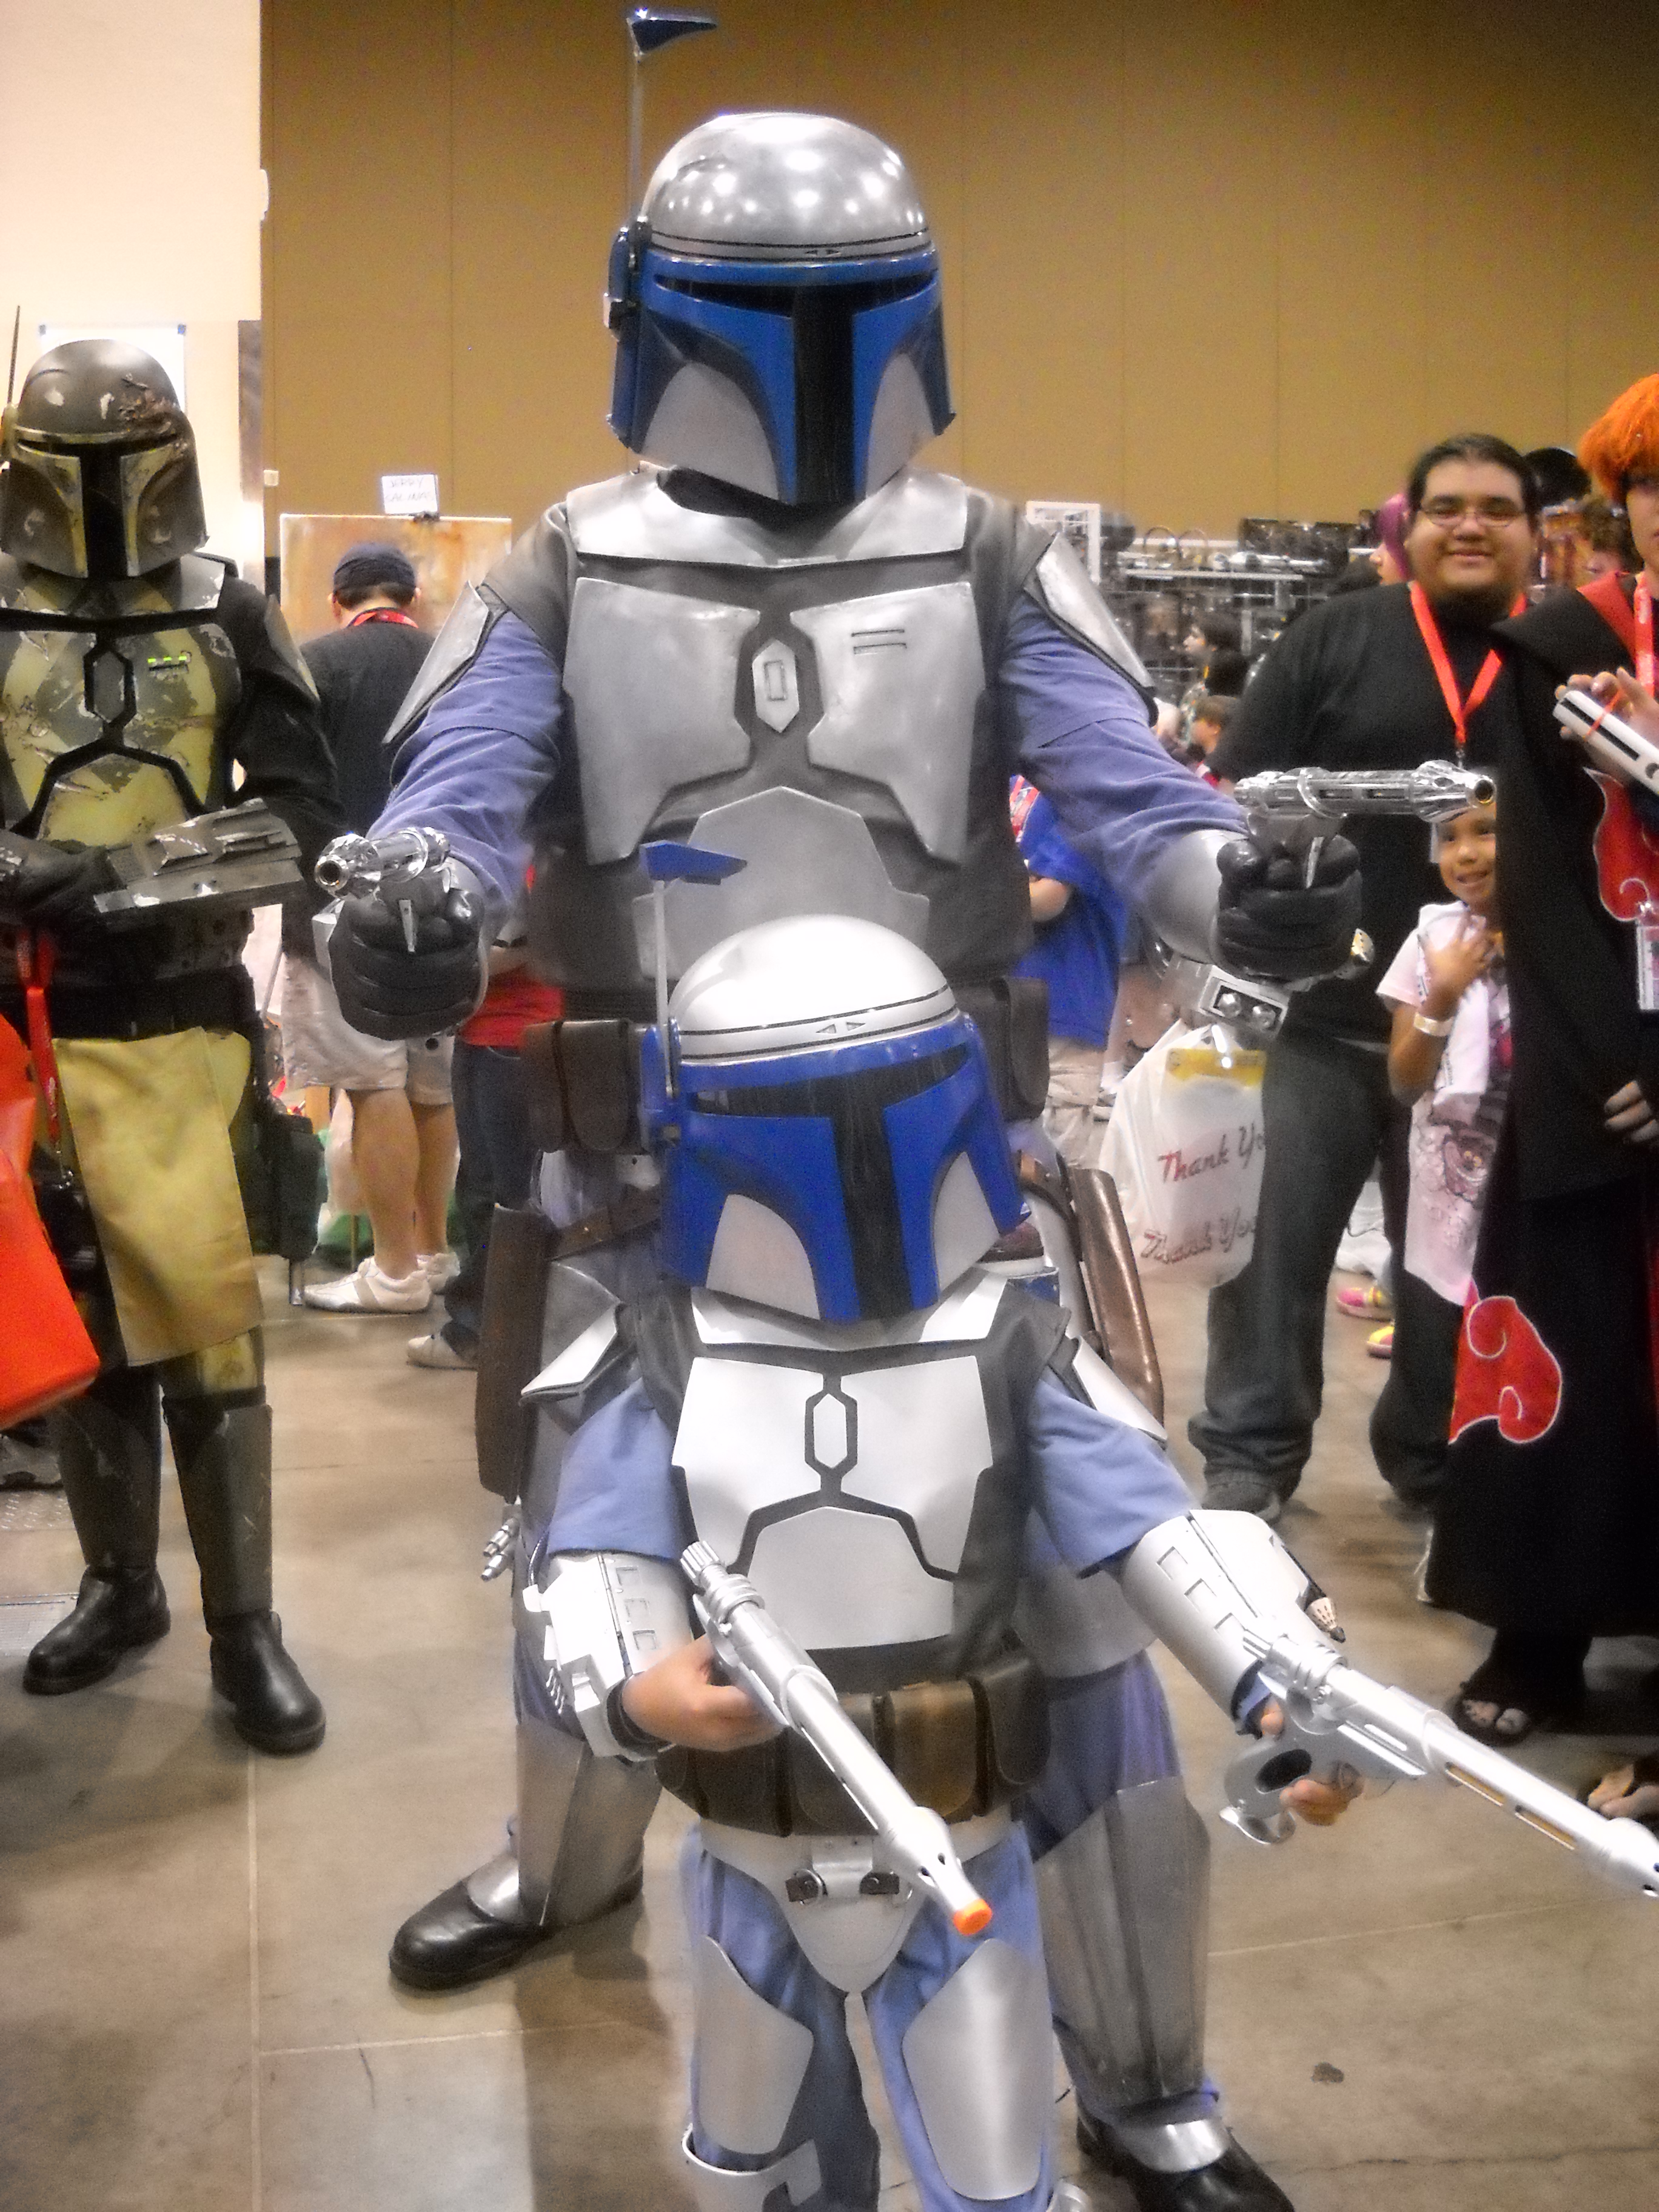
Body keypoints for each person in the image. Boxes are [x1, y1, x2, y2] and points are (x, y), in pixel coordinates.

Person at [326, 113, 1359, 2212]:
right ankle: (557, 1864)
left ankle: (1145, 2078)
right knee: (598, 1552)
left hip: (947, 1174)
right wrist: (418, 905)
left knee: (1072, 1606)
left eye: (836, 310)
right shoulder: (564, 564)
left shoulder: (984, 555)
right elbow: (459, 793)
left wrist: (1239, 884)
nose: (797, 363)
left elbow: (1130, 794)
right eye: (759, 312)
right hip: (640, 1174)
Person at [524, 913, 1356, 2212]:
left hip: (965, 1839)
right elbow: (594, 1561)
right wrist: (634, 1693)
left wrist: (1281, 1682)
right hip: (751, 1844)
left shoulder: (1008, 1339)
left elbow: (1155, 1529)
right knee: (764, 2165)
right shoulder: (664, 1354)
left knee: (992, 2166)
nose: (850, 1164)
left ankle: (1134, 2109)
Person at [0, 339, 337, 1750]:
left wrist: (118, 877)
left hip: (189, 1025)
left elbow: (306, 812)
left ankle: (243, 1626)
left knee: (208, 1339)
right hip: (36, 1032)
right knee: (84, 1337)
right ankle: (120, 1586)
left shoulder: (226, 606)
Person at [1192, 434, 1539, 1521]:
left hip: (1484, 1035)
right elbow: (1238, 797)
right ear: (1411, 527)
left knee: (1451, 1271)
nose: (1470, 525)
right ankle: (1250, 1456)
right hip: (1320, 1017)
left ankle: (1433, 1461)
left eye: (1496, 508)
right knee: (1273, 1252)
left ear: (1536, 532)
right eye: (1447, 507)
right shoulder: (1336, 635)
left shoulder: (1558, 657)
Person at [1429, 375, 1659, 1741]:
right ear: (1624, 504)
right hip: (1596, 1065)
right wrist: (1610, 1058)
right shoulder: (1558, 650)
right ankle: (1538, 1634)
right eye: (1656, 485)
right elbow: (1545, 881)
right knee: (1569, 1343)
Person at [286, 544, 458, 1316]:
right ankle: (435, 1252)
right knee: (432, 1087)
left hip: (341, 904)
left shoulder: (314, 664)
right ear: (411, 599)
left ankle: (393, 1272)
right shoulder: (454, 660)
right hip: (445, 901)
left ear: (339, 602)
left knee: (373, 1084)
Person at [1370, 802, 1507, 1529]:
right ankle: (1422, 1470)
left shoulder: (1563, 936)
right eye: (1449, 838)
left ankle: (1495, 1476)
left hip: (1522, 1183)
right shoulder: (1431, 939)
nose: (1466, 853)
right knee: (1431, 1332)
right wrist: (1444, 995)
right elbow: (1404, 1080)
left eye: (1486, 831)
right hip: (1447, 1186)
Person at [406, 917, 559, 1369]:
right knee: (480, 1191)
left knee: (514, 1198)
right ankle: (489, 1330)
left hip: (519, 1035)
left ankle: (482, 1330)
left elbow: (532, 942)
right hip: (480, 1034)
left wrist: (444, 962)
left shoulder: (532, 875)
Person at [1011, 777, 1125, 1165]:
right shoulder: (1016, 783)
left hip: (1066, 1002)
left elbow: (1048, 898)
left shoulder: (1085, 790)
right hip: (1013, 996)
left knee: (1057, 1170)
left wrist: (984, 892)